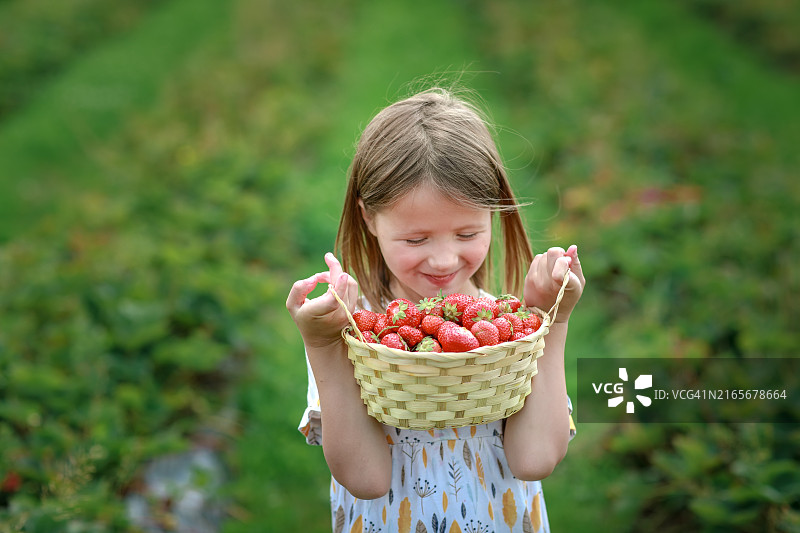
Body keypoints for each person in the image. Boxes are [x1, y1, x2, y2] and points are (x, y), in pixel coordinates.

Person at [287, 87, 585, 533]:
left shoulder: (507, 330)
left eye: (467, 234)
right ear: (369, 218)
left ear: (494, 212)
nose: (444, 260)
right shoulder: (348, 330)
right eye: (416, 239)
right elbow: (366, 479)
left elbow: (536, 458)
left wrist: (551, 319)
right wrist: (324, 346)